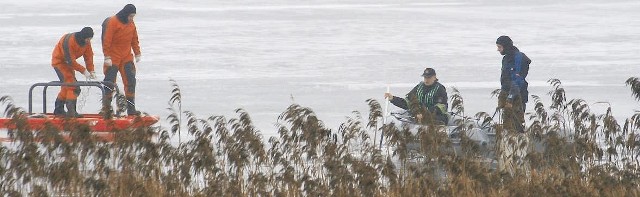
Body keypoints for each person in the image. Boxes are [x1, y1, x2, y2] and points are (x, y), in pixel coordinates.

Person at [101, 4, 142, 116]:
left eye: (133, 16)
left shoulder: (131, 24)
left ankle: (131, 110)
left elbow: (134, 39)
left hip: (126, 57)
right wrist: (107, 56)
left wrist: (137, 52)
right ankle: (106, 109)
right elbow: (107, 40)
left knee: (130, 82)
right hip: (113, 58)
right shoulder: (113, 22)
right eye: (130, 16)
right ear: (125, 14)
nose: (131, 19)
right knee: (109, 83)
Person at [51, 27, 96, 117]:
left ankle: (58, 110)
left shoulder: (86, 43)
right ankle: (71, 112)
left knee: (66, 87)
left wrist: (91, 70)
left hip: (69, 65)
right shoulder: (68, 41)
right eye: (88, 39)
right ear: (83, 37)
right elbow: (70, 61)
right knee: (73, 87)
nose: (89, 41)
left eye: (90, 39)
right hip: (60, 63)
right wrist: (84, 71)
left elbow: (89, 56)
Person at [384, 68, 449, 125]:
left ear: (434, 77)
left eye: (429, 77)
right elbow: (408, 102)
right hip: (419, 115)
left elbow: (440, 108)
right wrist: (393, 99)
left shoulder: (440, 89)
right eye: (425, 77)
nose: (426, 79)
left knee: (435, 118)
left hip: (436, 116)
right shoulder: (418, 87)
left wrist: (424, 114)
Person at [496, 35, 531, 133]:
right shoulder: (506, 58)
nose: (498, 50)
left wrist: (511, 97)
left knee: (516, 124)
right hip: (507, 94)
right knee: (507, 123)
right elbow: (506, 79)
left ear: (505, 46)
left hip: (518, 96)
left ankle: (518, 141)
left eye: (499, 47)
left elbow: (518, 79)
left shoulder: (519, 57)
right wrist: (503, 94)